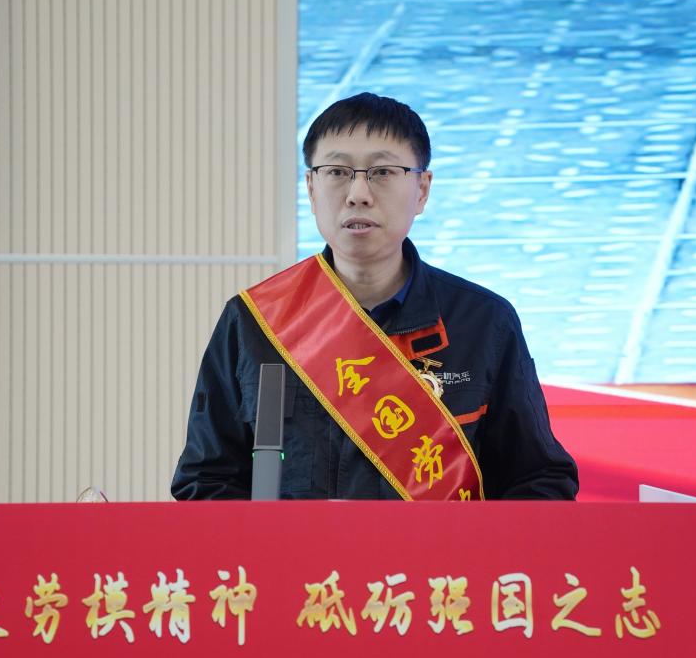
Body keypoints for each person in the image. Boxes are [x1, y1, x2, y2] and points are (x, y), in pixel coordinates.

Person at [172, 92, 578, 501]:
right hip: (297, 547)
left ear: (422, 189)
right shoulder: (254, 321)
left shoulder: (484, 321)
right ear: (311, 188)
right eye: (337, 171)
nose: (358, 193)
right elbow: (206, 481)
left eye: (383, 172)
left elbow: (540, 479)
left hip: (441, 548)